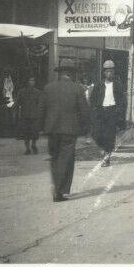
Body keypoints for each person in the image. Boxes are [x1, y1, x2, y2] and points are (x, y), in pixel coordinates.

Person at [39, 64, 91, 202]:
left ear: (60, 74)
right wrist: (87, 129)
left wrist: (42, 128)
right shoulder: (77, 89)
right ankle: (59, 190)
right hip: (69, 130)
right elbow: (84, 112)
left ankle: (58, 187)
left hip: (52, 130)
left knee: (55, 159)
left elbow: (41, 110)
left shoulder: (48, 88)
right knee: (66, 159)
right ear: (72, 74)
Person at [89, 60, 126, 167]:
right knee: (97, 134)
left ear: (114, 72)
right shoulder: (99, 85)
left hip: (112, 112)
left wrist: (118, 112)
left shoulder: (118, 85)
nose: (109, 74)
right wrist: (94, 110)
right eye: (107, 72)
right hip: (101, 112)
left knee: (110, 136)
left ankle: (107, 157)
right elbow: (93, 99)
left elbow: (122, 101)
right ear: (104, 73)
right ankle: (106, 151)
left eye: (111, 71)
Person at [15, 76, 43, 154]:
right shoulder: (21, 92)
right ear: (27, 82)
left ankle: (33, 144)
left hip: (34, 115)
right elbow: (18, 102)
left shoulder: (38, 92)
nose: (32, 82)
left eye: (33, 80)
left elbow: (40, 104)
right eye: (30, 80)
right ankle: (27, 148)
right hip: (25, 115)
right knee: (26, 133)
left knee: (34, 132)